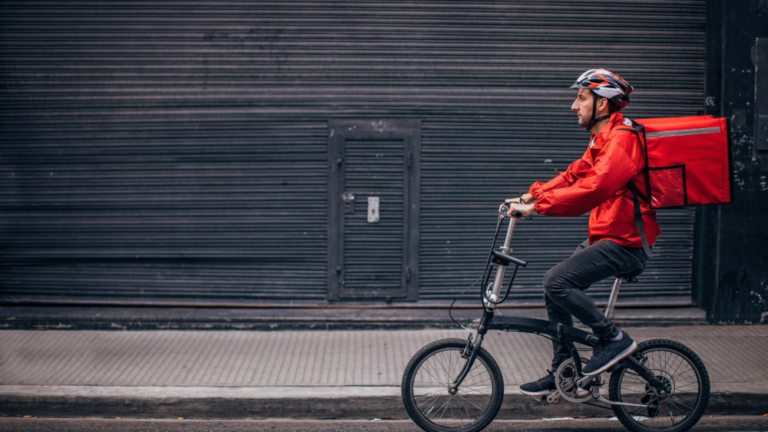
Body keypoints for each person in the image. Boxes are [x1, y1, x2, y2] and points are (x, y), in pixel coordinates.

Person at [504, 69, 660, 396]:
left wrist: (538, 208)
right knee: (554, 287)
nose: (574, 106)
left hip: (626, 243)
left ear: (602, 105)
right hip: (608, 237)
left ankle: (613, 339)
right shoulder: (603, 138)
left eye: (581, 98)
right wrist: (530, 195)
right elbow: (576, 173)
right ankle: (566, 370)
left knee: (556, 281)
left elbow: (595, 188)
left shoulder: (623, 139)